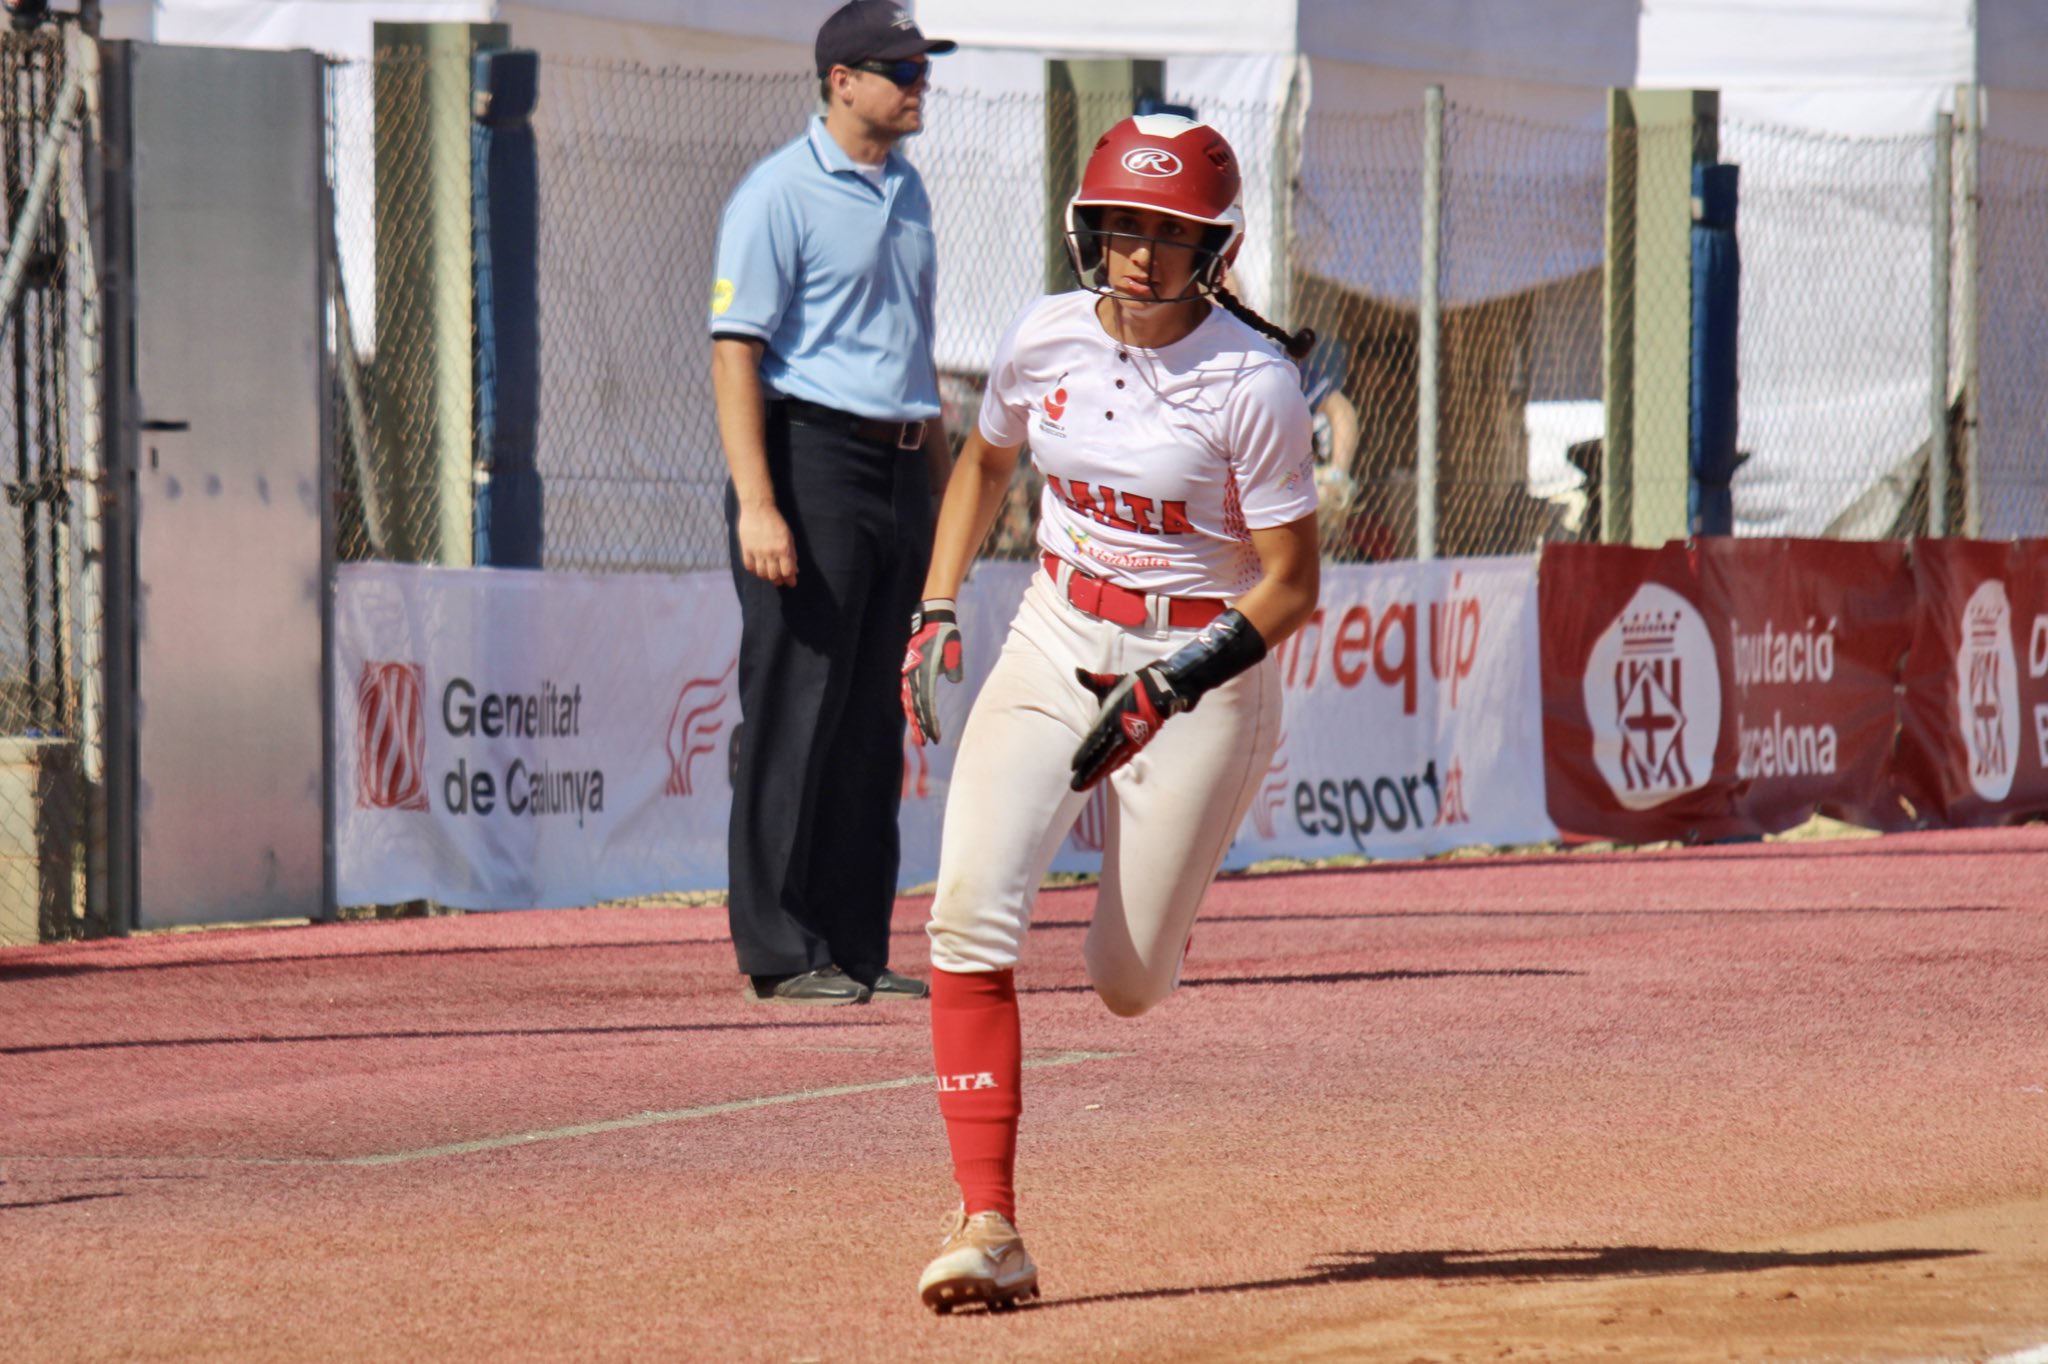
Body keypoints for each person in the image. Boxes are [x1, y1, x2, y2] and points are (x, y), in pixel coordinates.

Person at [899, 113, 1323, 1309]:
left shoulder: (1254, 381)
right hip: (1051, 631)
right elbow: (986, 461)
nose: (1141, 251)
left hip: (1200, 662)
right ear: (1088, 227)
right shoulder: (1042, 333)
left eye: (1171, 232)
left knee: (1126, 981)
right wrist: (936, 604)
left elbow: (1290, 583)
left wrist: (1174, 681)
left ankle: (1164, 889)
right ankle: (989, 1224)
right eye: (1122, 224)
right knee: (966, 912)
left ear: (1214, 246)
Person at [708, 1, 955, 1006]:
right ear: (839, 80)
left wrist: (936, 506)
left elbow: (914, 361)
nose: (915, 82)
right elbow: (736, 352)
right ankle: (778, 946)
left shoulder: (908, 191)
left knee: (867, 720)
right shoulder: (776, 193)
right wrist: (757, 504)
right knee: (794, 710)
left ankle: (854, 941)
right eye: (896, 67)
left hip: (897, 469)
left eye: (920, 66)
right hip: (808, 458)